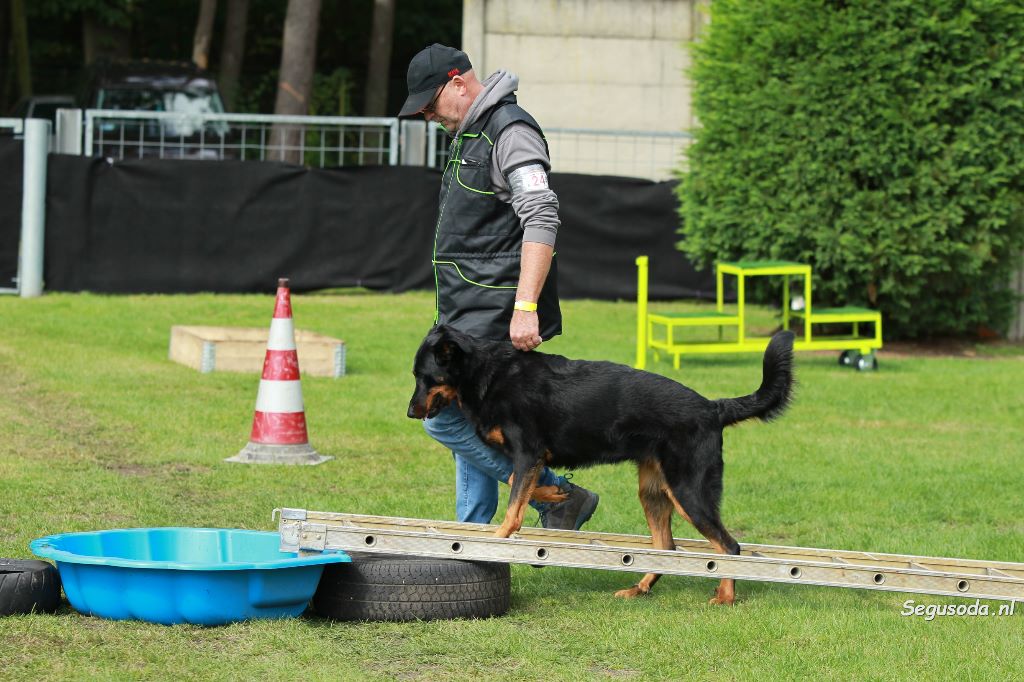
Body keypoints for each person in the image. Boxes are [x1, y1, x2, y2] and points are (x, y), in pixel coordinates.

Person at [398, 44, 599, 531]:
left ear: (458, 83)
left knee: (443, 419)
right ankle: (474, 538)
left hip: (495, 317)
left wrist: (525, 306)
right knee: (468, 421)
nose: (427, 114)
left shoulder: (510, 131)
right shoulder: (470, 132)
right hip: (468, 313)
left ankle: (557, 496)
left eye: (430, 103)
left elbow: (541, 216)